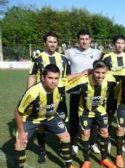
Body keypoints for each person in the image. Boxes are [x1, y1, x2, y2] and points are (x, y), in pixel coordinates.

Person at [14, 64, 86, 168]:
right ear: (43, 77)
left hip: (51, 117)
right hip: (31, 119)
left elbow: (66, 79)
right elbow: (18, 112)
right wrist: (21, 132)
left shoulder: (59, 85)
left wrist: (80, 73)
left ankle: (69, 165)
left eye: (56, 78)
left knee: (66, 137)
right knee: (20, 144)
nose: (54, 81)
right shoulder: (33, 92)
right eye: (50, 78)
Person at [27, 31, 71, 163]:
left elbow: (68, 76)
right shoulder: (38, 58)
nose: (52, 44)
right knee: (41, 126)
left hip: (60, 99)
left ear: (58, 43)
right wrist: (29, 92)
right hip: (42, 100)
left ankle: (62, 149)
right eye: (50, 42)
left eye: (55, 42)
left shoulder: (63, 58)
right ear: (45, 43)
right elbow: (32, 75)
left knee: (62, 123)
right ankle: (42, 151)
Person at [65, 29, 102, 155]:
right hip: (75, 90)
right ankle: (74, 143)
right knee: (74, 118)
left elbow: (102, 68)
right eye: (82, 39)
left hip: (92, 91)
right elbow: (64, 70)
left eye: (87, 39)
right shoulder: (69, 52)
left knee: (94, 117)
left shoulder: (98, 53)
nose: (84, 41)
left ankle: (92, 142)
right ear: (78, 40)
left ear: (90, 40)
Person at [78, 60, 117, 168]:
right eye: (97, 72)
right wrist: (80, 73)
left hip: (101, 111)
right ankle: (86, 160)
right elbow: (64, 81)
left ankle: (104, 159)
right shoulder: (83, 81)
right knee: (86, 133)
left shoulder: (110, 80)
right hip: (85, 112)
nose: (100, 76)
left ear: (107, 73)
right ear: (92, 71)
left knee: (105, 131)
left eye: (103, 73)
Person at [102, 35, 125, 152]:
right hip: (111, 92)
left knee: (123, 117)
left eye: (122, 43)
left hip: (124, 92)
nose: (120, 45)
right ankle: (106, 140)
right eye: (118, 43)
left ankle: (120, 140)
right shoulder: (107, 57)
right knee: (109, 115)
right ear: (114, 44)